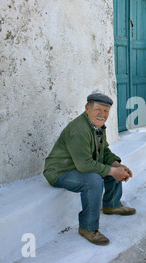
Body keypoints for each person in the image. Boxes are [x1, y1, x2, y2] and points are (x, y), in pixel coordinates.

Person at [43, 93, 135, 246]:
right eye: (98, 110)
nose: (102, 115)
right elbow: (84, 165)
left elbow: (104, 151)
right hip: (60, 172)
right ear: (87, 108)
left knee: (111, 167)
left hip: (79, 166)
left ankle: (111, 205)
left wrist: (116, 165)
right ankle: (87, 228)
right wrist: (112, 171)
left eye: (106, 111)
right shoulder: (79, 130)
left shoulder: (97, 125)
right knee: (93, 180)